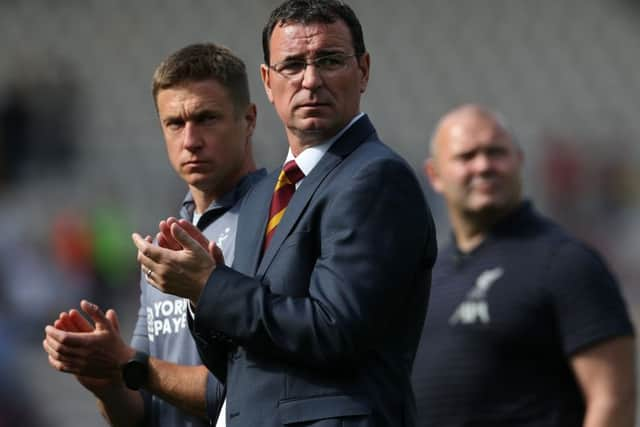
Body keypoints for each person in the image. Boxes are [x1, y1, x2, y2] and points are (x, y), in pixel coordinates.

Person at [131, 1, 437, 426]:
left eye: (329, 61)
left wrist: (214, 285)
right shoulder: (263, 193)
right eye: (292, 65)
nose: (311, 80)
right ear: (268, 82)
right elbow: (236, 363)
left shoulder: (375, 178)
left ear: (363, 70)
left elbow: (334, 329)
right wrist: (204, 295)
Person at [42, 42, 266, 427]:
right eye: (174, 124)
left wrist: (131, 363)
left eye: (207, 118)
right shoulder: (162, 245)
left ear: (248, 119)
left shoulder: (277, 221)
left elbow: (256, 389)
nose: (190, 140)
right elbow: (142, 412)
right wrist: (107, 380)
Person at [412, 104, 636, 427]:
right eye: (467, 156)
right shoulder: (428, 276)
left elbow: (614, 398)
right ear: (434, 175)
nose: (484, 165)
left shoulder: (566, 263)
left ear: (519, 160)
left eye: (496, 153)